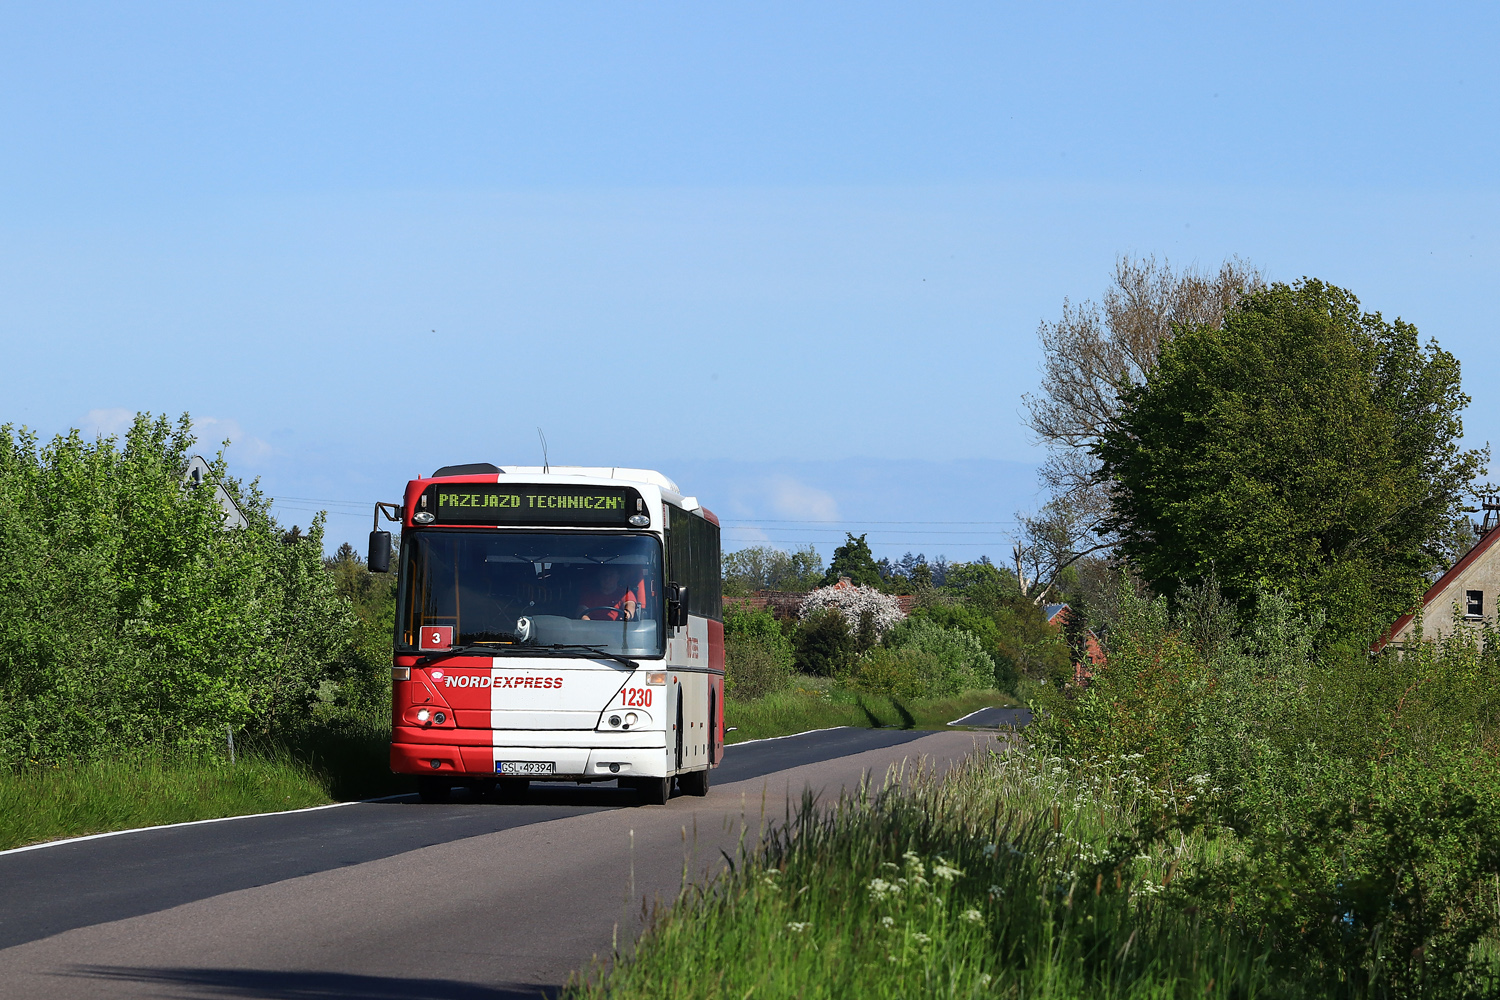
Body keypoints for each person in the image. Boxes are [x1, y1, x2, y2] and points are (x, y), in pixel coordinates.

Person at [576, 565, 642, 620]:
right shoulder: (590, 594)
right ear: (599, 577)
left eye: (611, 575)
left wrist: (627, 613)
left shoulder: (625, 593)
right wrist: (586, 620)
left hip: (617, 631)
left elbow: (630, 604)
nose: (607, 579)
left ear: (617, 577)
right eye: (604, 575)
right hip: (592, 631)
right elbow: (581, 611)